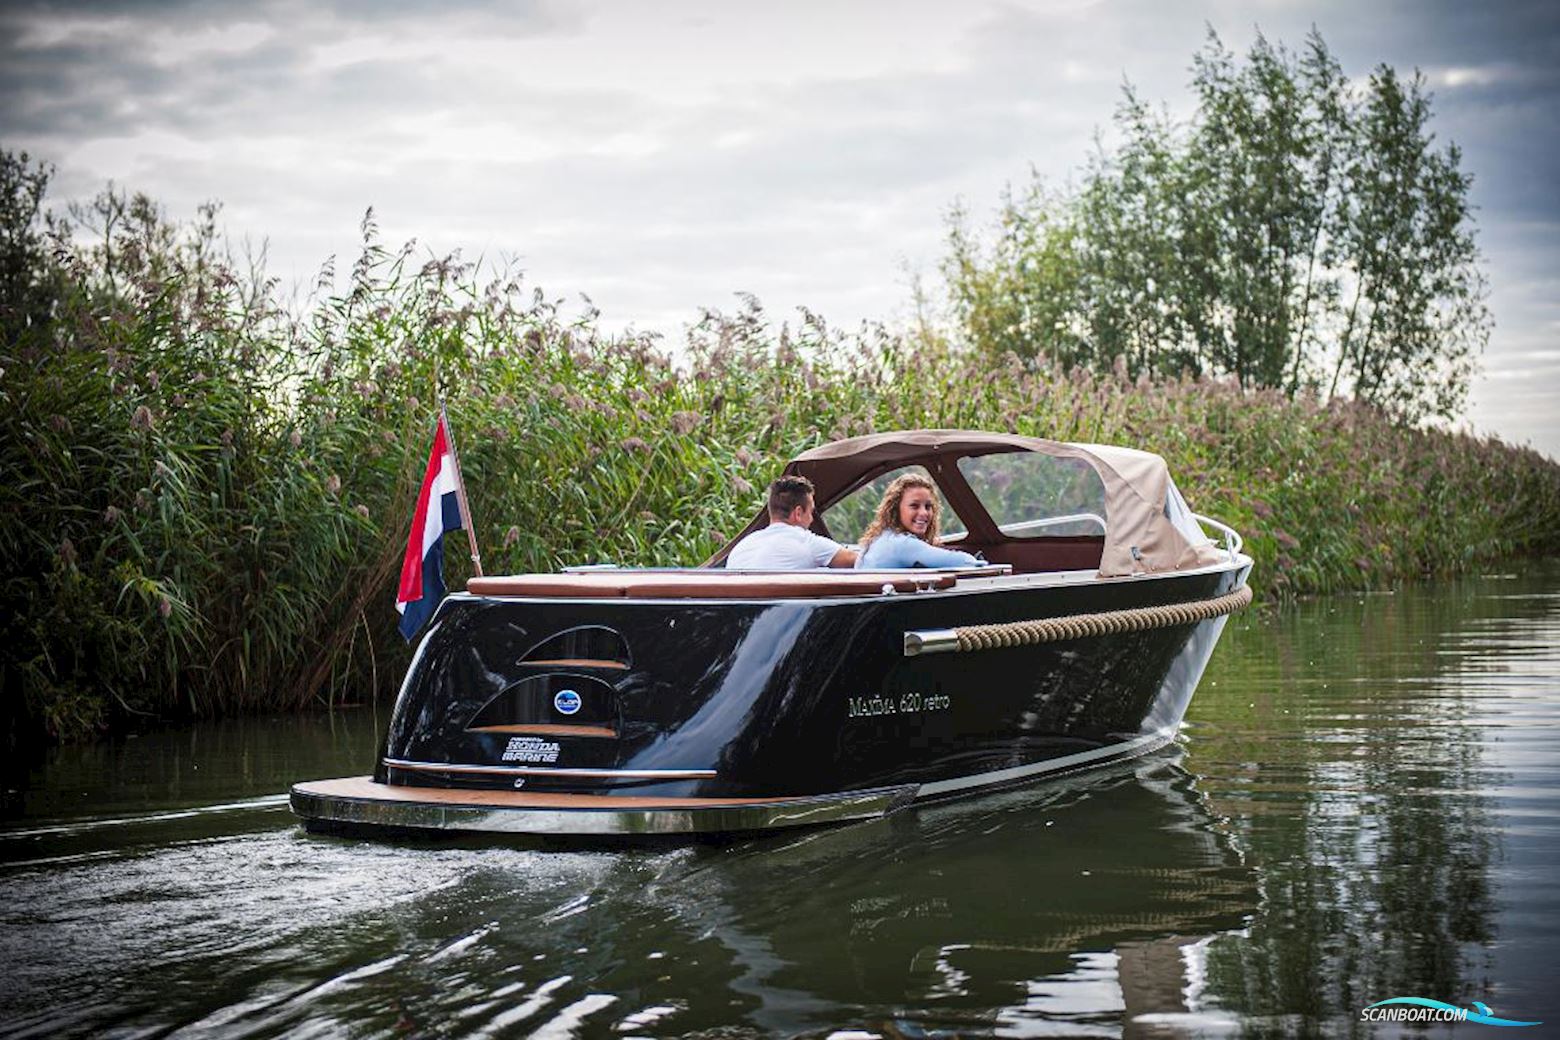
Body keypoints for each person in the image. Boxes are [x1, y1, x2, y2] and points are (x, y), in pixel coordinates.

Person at [856, 473, 988, 569]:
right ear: (895, 509)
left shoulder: (882, 537)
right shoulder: (901, 544)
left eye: (928, 506)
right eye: (914, 506)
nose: (924, 513)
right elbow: (965, 563)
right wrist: (978, 561)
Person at [726, 475, 858, 569]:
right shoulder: (805, 542)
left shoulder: (743, 545)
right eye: (811, 512)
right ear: (798, 513)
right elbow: (861, 562)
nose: (812, 519)